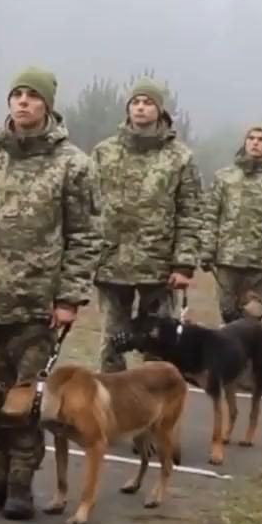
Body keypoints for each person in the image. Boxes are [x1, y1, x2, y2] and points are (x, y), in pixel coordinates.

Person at [0, 67, 100, 521]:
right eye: (17, 95)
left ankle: (20, 484)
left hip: (37, 307)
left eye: (32, 96)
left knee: (23, 400)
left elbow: (86, 236)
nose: (23, 102)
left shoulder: (73, 165)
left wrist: (69, 298)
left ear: (47, 104)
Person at [89, 80, 205, 373]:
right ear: (128, 108)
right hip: (112, 262)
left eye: (148, 102)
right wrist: (89, 252)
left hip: (159, 266)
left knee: (159, 342)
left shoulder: (179, 157)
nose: (141, 107)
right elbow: (87, 206)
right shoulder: (104, 152)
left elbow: (190, 211)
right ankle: (113, 406)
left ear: (160, 109)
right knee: (113, 341)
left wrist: (184, 264)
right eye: (136, 102)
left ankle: (155, 406)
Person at [202, 124, 262, 323]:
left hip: (260, 261)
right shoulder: (225, 177)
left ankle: (253, 353)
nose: (255, 143)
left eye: (261, 140)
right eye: (251, 138)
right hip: (227, 258)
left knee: (253, 316)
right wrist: (207, 250)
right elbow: (211, 215)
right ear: (244, 142)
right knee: (227, 312)